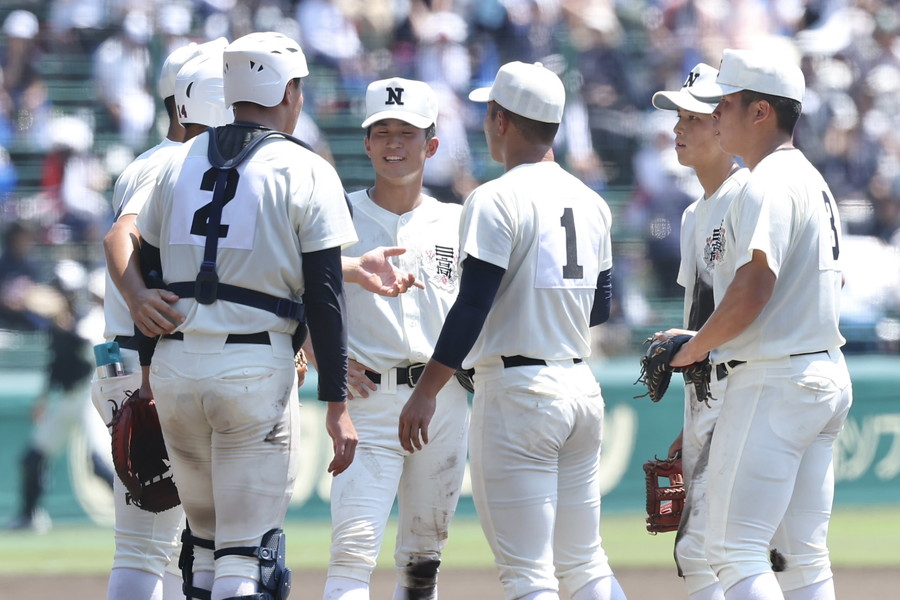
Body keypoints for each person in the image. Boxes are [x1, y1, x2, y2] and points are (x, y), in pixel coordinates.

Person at [127, 32, 359, 600]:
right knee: (247, 557)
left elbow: (146, 271)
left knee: (203, 550)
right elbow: (326, 297)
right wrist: (338, 403)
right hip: (253, 368)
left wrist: (148, 372)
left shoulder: (177, 162)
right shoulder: (305, 168)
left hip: (178, 369)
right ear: (288, 91)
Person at [398, 61, 625, 600]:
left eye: (487, 113)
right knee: (585, 563)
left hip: (520, 394)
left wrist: (426, 390)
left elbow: (472, 305)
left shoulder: (495, 197)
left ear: (501, 120)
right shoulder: (591, 201)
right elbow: (601, 308)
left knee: (529, 575)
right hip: (579, 387)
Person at [673, 49, 854, 600]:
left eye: (726, 103)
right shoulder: (810, 179)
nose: (717, 112)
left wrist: (693, 348)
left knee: (733, 552)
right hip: (820, 373)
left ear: (761, 113)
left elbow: (755, 286)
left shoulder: (767, 180)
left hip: (774, 377)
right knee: (801, 560)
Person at [317, 77, 470, 600]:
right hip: (368, 400)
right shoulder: (337, 213)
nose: (393, 144)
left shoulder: (458, 220)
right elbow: (288, 285)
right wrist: (318, 354)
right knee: (353, 550)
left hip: (442, 396)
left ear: (431, 144)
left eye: (406, 132)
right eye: (381, 131)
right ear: (365, 143)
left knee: (425, 558)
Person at [96, 38, 230, 600]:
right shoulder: (178, 162)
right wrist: (138, 297)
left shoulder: (156, 160)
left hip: (122, 360)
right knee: (159, 542)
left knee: (160, 542)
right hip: (141, 363)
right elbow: (119, 236)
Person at [649, 63, 749, 600]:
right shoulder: (692, 215)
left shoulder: (748, 196)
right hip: (710, 395)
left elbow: (749, 304)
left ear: (723, 124)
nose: (678, 127)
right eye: (677, 116)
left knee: (710, 550)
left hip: (745, 390)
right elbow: (699, 316)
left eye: (692, 116)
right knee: (717, 551)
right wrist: (692, 419)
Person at [7, 259, 112, 533]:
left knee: (99, 464)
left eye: (63, 287)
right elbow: (56, 364)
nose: (58, 292)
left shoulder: (92, 319)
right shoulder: (59, 323)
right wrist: (43, 397)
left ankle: (133, 516)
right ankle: (29, 516)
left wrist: (66, 326)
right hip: (65, 398)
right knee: (32, 458)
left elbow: (88, 353)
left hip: (87, 396)